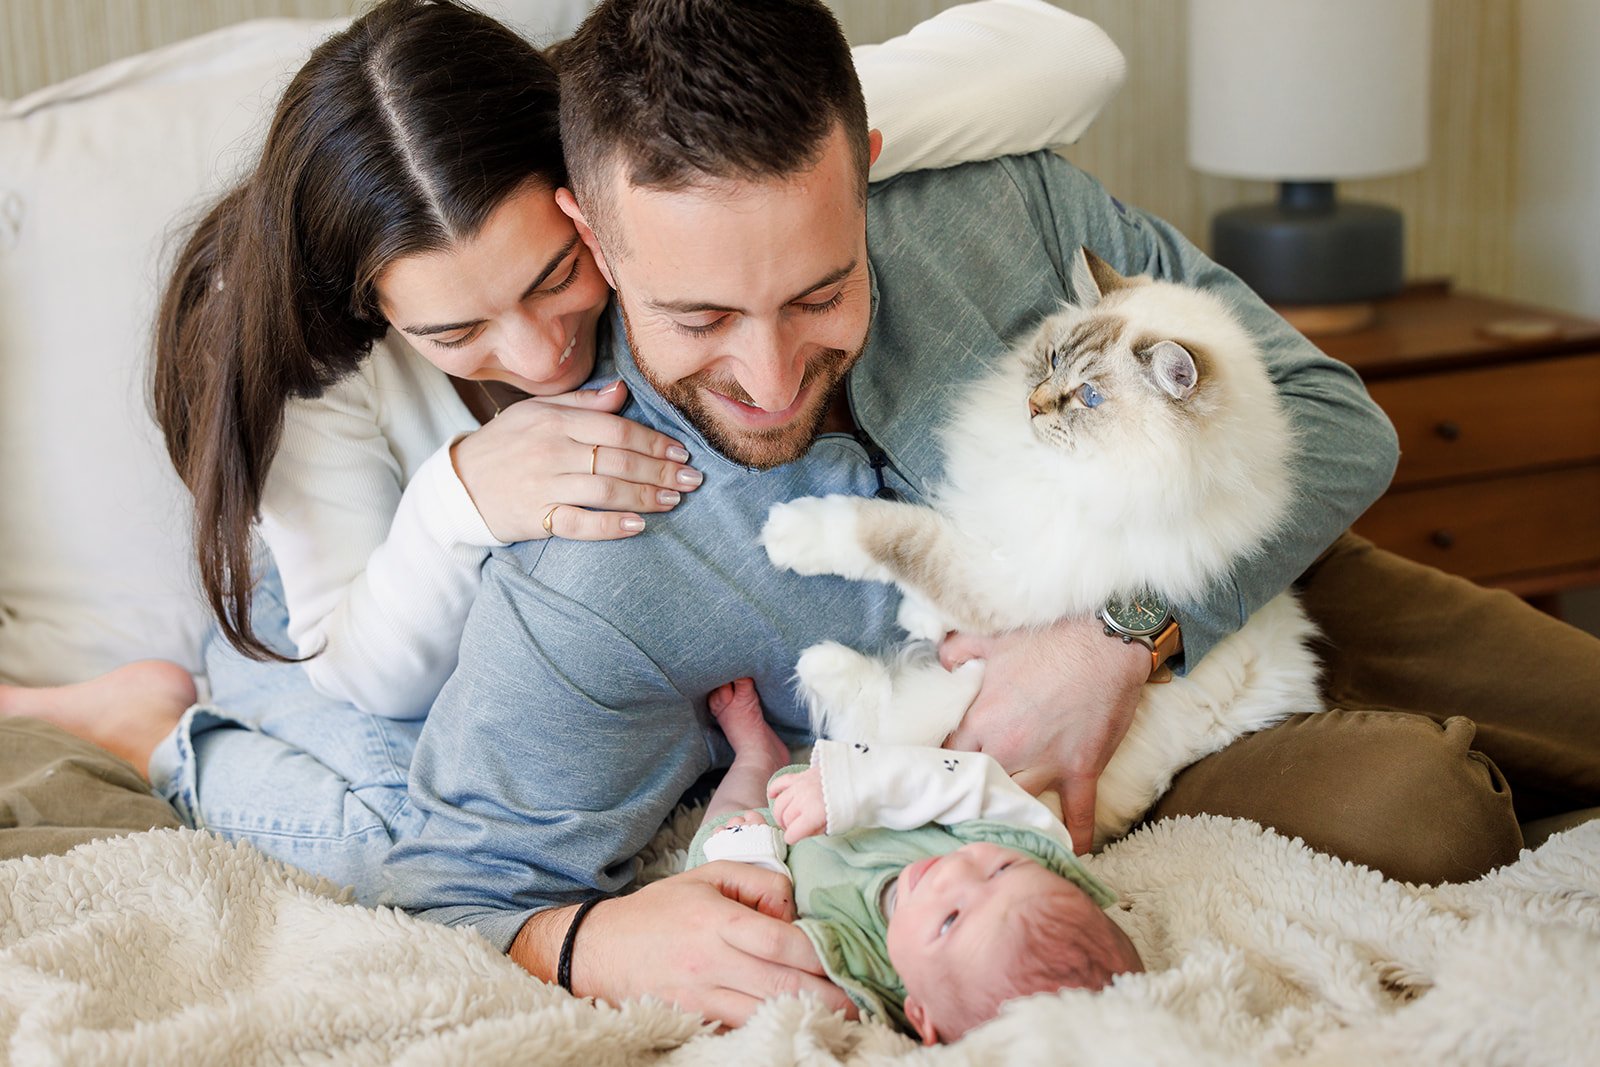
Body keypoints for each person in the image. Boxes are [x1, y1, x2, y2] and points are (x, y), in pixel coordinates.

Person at [382, 0, 1600, 1029]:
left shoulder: (998, 205)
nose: (766, 372)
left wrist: (1117, 635)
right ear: (591, 235)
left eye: (820, 290)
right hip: (1101, 783)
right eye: (697, 318)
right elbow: (454, 877)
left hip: (1258, 582)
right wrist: (589, 944)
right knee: (1428, 810)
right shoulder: (592, 560)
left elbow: (1329, 416)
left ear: (862, 163)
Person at [0, 0, 1132, 906]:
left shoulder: (649, 172)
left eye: (556, 278)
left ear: (590, 199)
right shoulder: (314, 350)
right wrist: (457, 500)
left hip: (583, 655)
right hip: (353, 634)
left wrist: (800, 167)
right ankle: (148, 723)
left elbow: (1070, 57)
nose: (538, 352)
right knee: (408, 843)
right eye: (455, 333)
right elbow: (366, 670)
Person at [690, 678, 1142, 1043]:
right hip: (846, 797)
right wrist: (848, 790)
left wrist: (750, 860)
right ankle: (776, 766)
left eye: (949, 920)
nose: (956, 871)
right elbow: (970, 781)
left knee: (718, 835)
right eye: (1001, 870)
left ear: (919, 1015)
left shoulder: (864, 982)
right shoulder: (1031, 845)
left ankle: (754, 758)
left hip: (761, 848)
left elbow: (765, 953)